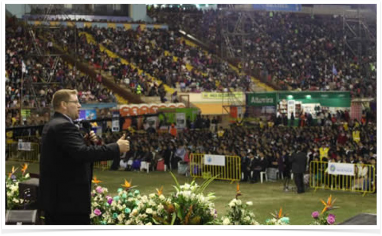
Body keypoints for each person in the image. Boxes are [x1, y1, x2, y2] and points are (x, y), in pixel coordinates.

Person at [39, 89, 130, 225]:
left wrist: (84, 143)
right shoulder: (63, 125)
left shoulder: (55, 123)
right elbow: (82, 154)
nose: (80, 105)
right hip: (68, 204)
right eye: (75, 102)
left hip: (59, 201)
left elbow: (70, 155)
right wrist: (116, 147)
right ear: (64, 104)